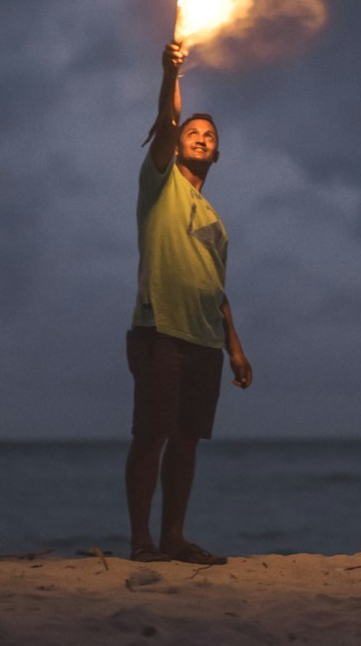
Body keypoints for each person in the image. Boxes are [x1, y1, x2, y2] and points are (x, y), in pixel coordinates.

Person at [125, 40, 252, 565]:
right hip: (160, 331)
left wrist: (236, 349)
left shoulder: (217, 219)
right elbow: (165, 116)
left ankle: (174, 538)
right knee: (152, 436)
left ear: (217, 153)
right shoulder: (159, 184)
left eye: (209, 137)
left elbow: (217, 290)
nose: (199, 138)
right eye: (191, 133)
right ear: (175, 146)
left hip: (204, 342)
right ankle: (141, 542)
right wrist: (170, 74)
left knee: (186, 443)